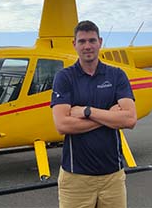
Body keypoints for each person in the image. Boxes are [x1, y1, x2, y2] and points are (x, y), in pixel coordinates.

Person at [51, 20, 137, 208]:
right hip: (76, 178)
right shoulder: (65, 77)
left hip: (113, 177)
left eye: (92, 40)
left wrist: (86, 112)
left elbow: (130, 119)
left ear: (100, 42)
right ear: (74, 44)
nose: (87, 46)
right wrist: (109, 117)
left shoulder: (116, 75)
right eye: (82, 41)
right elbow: (62, 125)